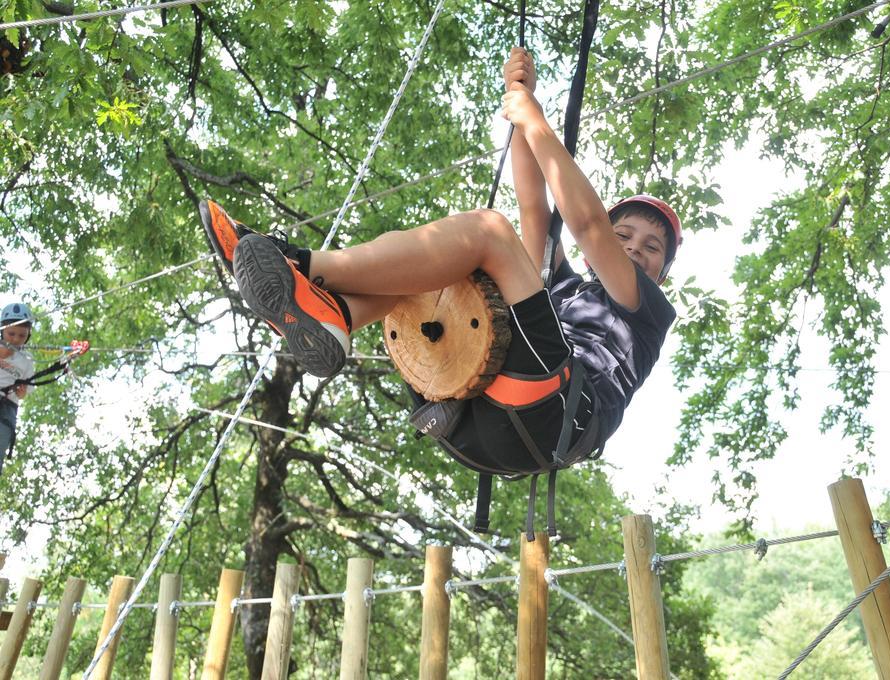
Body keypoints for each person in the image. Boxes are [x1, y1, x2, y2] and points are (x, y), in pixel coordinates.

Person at [200, 47, 680, 531]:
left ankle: (301, 265)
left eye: (652, 246)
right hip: (475, 416)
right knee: (436, 272)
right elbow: (535, 212)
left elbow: (590, 225)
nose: (636, 248)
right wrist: (520, 102)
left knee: (489, 232)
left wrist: (535, 121)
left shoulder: (647, 312)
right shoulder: (564, 289)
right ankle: (340, 315)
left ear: (660, 273)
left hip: (553, 413)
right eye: (627, 237)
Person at [0, 302, 35, 475]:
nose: (15, 339)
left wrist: (22, 393)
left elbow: (26, 388)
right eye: (11, 333)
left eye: (22, 335)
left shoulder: (27, 360)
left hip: (6, 408)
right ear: (2, 331)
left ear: (28, 335)